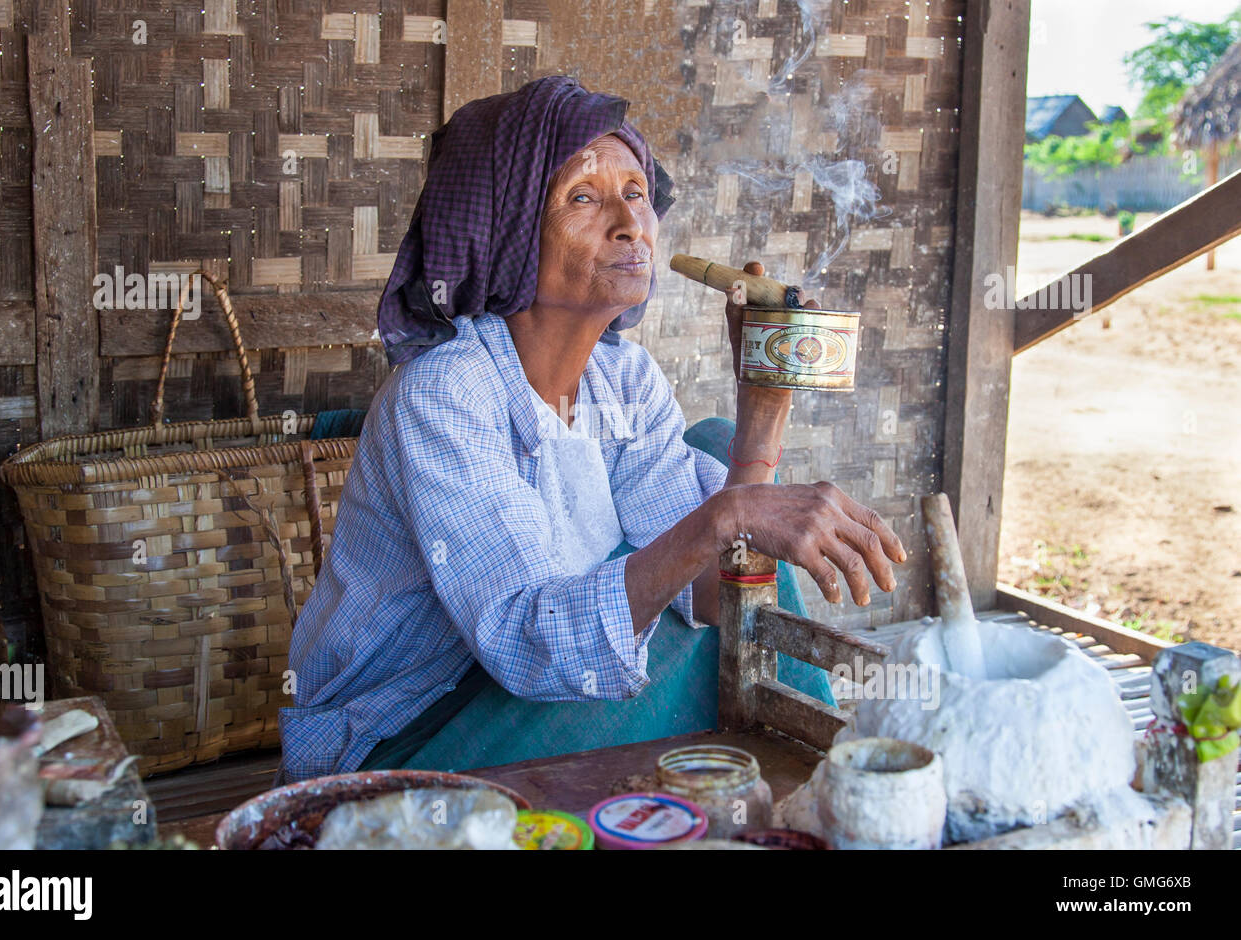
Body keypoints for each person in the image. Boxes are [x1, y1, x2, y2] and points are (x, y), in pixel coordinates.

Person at [278, 75, 905, 783]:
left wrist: (762, 420)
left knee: (720, 483)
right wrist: (731, 514)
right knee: (711, 588)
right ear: (509, 234)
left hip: (527, 696)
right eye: (583, 197)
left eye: (635, 193)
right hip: (401, 741)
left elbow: (706, 593)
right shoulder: (443, 395)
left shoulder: (623, 380)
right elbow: (530, 646)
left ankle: (816, 792)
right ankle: (824, 788)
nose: (628, 222)